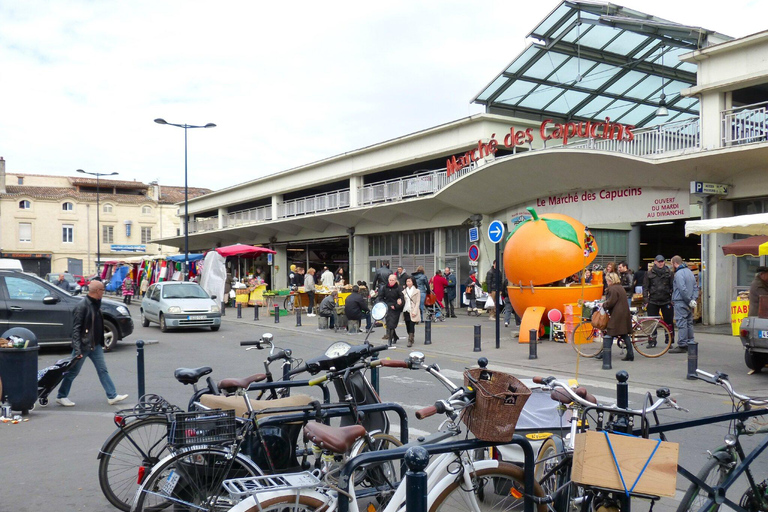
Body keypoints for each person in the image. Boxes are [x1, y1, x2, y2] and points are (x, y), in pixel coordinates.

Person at [55, 280, 128, 407]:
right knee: (72, 372)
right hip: (84, 345)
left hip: (95, 345)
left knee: (102, 370)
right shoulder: (82, 306)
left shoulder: (95, 303)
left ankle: (112, 395)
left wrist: (101, 341)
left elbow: (97, 325)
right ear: (98, 291)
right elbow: (76, 329)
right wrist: (77, 350)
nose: (104, 292)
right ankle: (61, 396)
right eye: (102, 290)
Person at [599, 272, 634, 362]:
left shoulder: (612, 289)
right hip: (623, 312)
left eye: (607, 280)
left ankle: (605, 353)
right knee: (624, 333)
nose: (606, 282)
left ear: (610, 280)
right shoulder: (620, 287)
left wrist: (603, 304)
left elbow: (611, 302)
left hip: (617, 314)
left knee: (610, 331)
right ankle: (630, 353)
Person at [643, 254, 674, 343]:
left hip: (666, 300)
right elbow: (645, 287)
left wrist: (672, 300)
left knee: (669, 322)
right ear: (655, 262)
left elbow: (673, 287)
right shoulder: (648, 273)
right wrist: (646, 301)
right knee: (652, 323)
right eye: (659, 261)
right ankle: (652, 340)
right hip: (653, 300)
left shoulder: (669, 273)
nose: (661, 263)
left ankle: (669, 340)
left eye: (662, 261)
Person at [670, 255, 698, 353]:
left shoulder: (678, 274)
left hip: (681, 301)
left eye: (672, 264)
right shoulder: (690, 272)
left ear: (674, 263)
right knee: (689, 323)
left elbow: (682, 288)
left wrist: (688, 300)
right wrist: (693, 300)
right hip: (690, 303)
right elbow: (695, 287)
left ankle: (682, 345)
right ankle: (690, 342)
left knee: (681, 323)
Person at [382, 274, 404, 346]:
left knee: (392, 324)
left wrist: (396, 306)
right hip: (387, 308)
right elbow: (381, 297)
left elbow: (402, 299)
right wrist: (383, 305)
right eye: (390, 280)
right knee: (389, 324)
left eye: (392, 280)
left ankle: (390, 340)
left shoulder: (399, 288)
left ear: (395, 280)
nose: (391, 282)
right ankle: (394, 337)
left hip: (395, 309)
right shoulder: (385, 287)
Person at [402, 276, 421, 347]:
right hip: (406, 309)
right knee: (407, 325)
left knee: (411, 324)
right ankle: (411, 336)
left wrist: (415, 311)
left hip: (413, 309)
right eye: (407, 281)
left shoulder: (417, 291)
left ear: (413, 282)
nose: (408, 283)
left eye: (409, 281)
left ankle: (410, 340)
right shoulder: (404, 291)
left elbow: (418, 302)